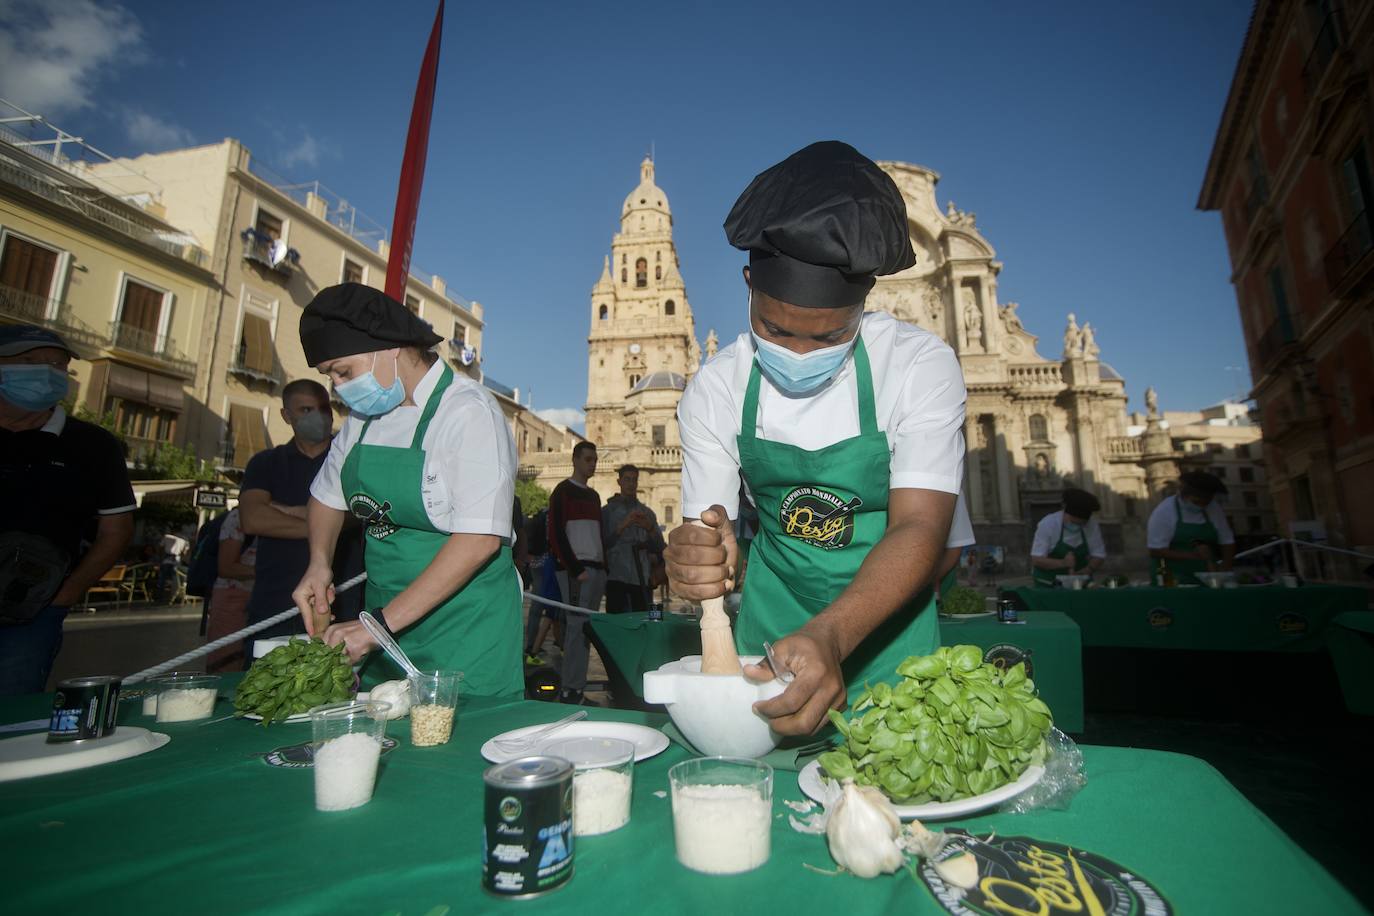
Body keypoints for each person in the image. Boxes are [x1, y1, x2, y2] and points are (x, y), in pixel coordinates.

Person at [666, 142, 966, 735]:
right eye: (775, 330)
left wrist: (832, 633)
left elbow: (921, 527)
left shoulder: (918, 367)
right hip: (767, 647)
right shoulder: (716, 389)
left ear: (864, 304)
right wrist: (698, 554)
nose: (799, 354)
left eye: (829, 338)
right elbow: (712, 524)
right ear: (749, 283)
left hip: (892, 641)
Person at [292, 284, 523, 697]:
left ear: (388, 348)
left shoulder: (468, 412)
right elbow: (325, 499)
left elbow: (480, 541)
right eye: (330, 376)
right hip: (383, 630)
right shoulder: (364, 418)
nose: (337, 388)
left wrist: (374, 627)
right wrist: (318, 562)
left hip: (465, 631)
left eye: (343, 371)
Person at [0, 325, 134, 695]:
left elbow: (116, 529)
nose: (46, 372)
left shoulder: (93, 445)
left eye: (57, 365)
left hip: (31, 611)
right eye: (29, 362)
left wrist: (67, 592)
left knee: (11, 715)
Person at [239, 379, 364, 641]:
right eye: (306, 410)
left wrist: (283, 511)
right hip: (274, 601)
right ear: (286, 416)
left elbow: (360, 513)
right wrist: (326, 524)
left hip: (342, 602)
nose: (317, 416)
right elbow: (253, 519)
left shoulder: (352, 459)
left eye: (323, 408)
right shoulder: (265, 463)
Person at [547, 441, 605, 704]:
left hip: (595, 570)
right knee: (574, 630)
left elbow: (598, 534)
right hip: (576, 572)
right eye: (587, 459)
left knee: (585, 630)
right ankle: (570, 690)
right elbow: (556, 534)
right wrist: (575, 569)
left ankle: (577, 688)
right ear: (575, 460)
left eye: (594, 460)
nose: (592, 464)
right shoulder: (562, 492)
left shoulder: (593, 496)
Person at [1147, 471, 1236, 585]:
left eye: (1206, 502)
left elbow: (1227, 541)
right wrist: (1194, 555)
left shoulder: (1213, 508)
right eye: (1197, 501)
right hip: (1171, 579)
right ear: (1183, 495)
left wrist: (1226, 567)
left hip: (1209, 578)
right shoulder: (1165, 511)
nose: (1201, 506)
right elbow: (1155, 551)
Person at [602, 464, 664, 613]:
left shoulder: (647, 513)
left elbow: (660, 546)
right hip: (616, 576)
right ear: (619, 482)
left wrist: (649, 528)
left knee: (641, 621)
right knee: (617, 624)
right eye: (627, 479)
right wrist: (622, 526)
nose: (631, 484)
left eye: (634, 480)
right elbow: (603, 543)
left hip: (641, 577)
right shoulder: (607, 512)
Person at [205, 506, 256, 672]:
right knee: (226, 659)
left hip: (257, 596)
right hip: (232, 597)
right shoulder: (239, 516)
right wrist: (267, 571)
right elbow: (226, 567)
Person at [1030, 488, 1106, 587]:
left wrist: (1087, 570)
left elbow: (1098, 555)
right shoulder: (1048, 524)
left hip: (1080, 584)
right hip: (1048, 584)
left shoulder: (1091, 524)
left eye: (1081, 524)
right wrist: (1063, 563)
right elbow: (1037, 559)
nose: (1075, 526)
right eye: (1073, 522)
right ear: (1065, 512)